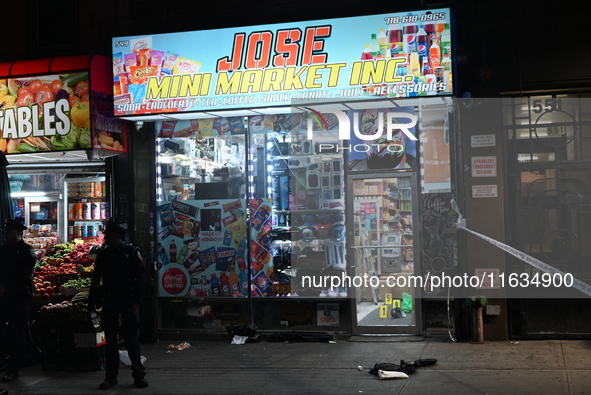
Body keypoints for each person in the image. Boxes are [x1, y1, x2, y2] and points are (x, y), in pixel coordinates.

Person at [89, 221, 148, 389]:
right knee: (111, 342)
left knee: (131, 340)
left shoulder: (130, 252)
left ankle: (139, 375)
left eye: (109, 235)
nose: (106, 238)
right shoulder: (103, 254)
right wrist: (92, 302)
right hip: (110, 301)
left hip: (128, 300)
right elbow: (96, 279)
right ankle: (110, 377)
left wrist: (137, 300)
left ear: (118, 236)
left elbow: (140, 278)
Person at [0, 219, 36, 382]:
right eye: (5, 232)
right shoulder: (3, 250)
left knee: (17, 331)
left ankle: (14, 369)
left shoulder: (26, 251)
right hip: (3, 295)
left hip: (20, 295)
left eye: (9, 232)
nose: (6, 234)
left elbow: (23, 273)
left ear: (19, 233)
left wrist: (5, 284)